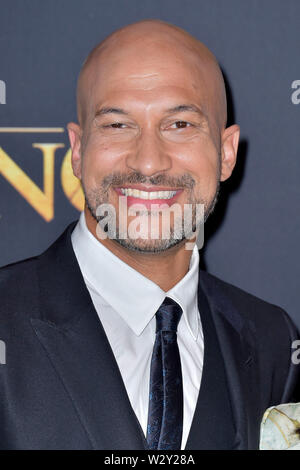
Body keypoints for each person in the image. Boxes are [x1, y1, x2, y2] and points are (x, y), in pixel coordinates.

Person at [0, 19, 298, 450]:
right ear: (78, 151)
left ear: (226, 152)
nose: (148, 163)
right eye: (118, 125)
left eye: (180, 124)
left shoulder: (273, 340)